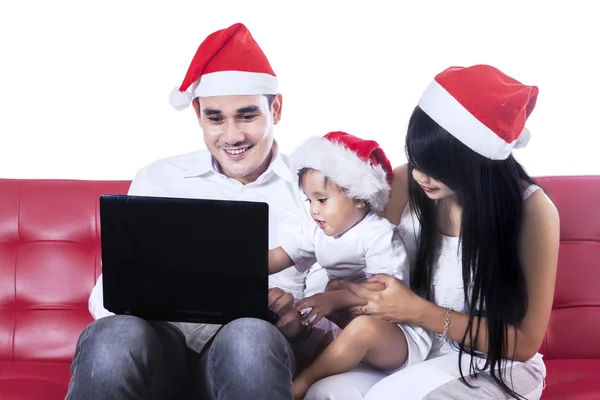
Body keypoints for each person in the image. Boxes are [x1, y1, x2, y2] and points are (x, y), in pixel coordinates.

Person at [65, 22, 337, 400]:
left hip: (249, 354)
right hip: (158, 353)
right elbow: (105, 297)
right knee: (113, 334)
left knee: (250, 335)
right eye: (215, 118)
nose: (231, 136)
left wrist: (300, 327)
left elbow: (332, 319)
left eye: (246, 116)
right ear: (197, 114)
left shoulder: (314, 194)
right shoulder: (159, 179)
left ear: (275, 109)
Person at [339, 64, 559, 399]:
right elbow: (356, 254)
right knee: (328, 391)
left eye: (437, 168)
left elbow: (525, 343)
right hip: (417, 348)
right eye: (416, 159)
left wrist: (418, 311)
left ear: (478, 162)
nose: (421, 176)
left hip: (496, 364)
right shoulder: (408, 184)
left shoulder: (533, 211)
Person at [267, 131, 432, 399]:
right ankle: (308, 356)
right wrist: (238, 265)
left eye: (322, 200)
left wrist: (332, 299)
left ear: (360, 197)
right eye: (309, 201)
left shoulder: (378, 234)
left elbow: (384, 291)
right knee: (294, 319)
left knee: (361, 328)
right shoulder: (318, 231)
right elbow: (278, 256)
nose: (314, 210)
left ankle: (302, 383)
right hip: (346, 324)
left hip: (395, 335)